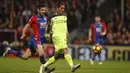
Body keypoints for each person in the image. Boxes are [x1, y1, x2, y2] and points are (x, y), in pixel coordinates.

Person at [3, 4, 54, 73]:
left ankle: (9, 51)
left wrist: (49, 33)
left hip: (40, 40)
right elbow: (26, 26)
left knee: (25, 57)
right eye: (42, 10)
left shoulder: (46, 18)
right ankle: (45, 69)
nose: (43, 11)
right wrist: (23, 34)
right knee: (41, 53)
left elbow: (46, 29)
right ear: (38, 10)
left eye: (44, 10)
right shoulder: (34, 18)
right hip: (35, 39)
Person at [41, 1, 81, 72]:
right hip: (56, 36)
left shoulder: (65, 15)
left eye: (63, 8)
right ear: (57, 8)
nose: (63, 9)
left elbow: (65, 25)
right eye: (61, 8)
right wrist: (47, 34)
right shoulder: (51, 17)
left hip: (63, 36)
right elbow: (47, 27)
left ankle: (44, 65)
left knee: (57, 56)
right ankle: (72, 66)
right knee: (65, 49)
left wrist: (67, 32)